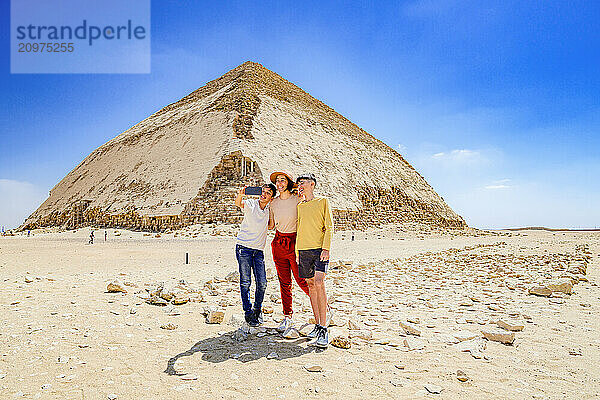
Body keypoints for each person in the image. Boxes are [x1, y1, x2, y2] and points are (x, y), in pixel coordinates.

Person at [267, 171, 309, 335]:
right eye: (277, 181)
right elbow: (270, 225)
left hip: (295, 243)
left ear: (288, 182)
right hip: (278, 243)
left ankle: (323, 310)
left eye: (282, 180)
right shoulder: (273, 203)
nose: (279, 183)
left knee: (302, 280)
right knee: (284, 282)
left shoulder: (298, 199)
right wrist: (255, 208)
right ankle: (288, 316)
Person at [295, 173, 333, 348]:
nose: (299, 186)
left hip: (319, 249)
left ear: (312, 184)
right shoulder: (300, 206)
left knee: (319, 283)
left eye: (302, 183)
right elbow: (300, 228)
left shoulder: (323, 201)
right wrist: (297, 252)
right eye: (298, 184)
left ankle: (324, 327)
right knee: (310, 284)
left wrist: (326, 248)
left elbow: (329, 226)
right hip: (303, 249)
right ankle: (317, 325)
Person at [234, 183, 276, 327]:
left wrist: (272, 207)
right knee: (246, 282)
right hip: (243, 248)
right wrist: (241, 194)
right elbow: (238, 203)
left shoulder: (269, 209)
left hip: (258, 250)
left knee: (262, 283)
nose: (264, 194)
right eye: (262, 192)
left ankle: (257, 309)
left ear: (272, 197)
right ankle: (248, 312)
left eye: (268, 193)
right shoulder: (251, 203)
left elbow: (271, 226)